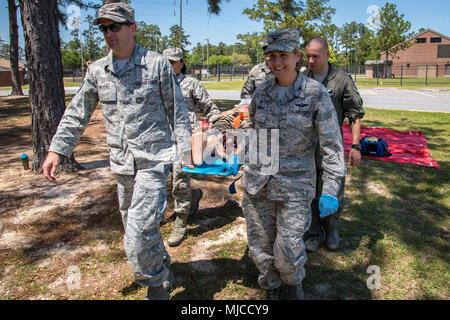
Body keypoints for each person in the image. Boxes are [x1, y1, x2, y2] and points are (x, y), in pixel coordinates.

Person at [41, 3, 193, 300]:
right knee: (138, 225)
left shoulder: (157, 64)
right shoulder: (98, 70)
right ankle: (161, 263)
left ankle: (155, 287)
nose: (108, 33)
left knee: (137, 233)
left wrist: (184, 153)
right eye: (104, 28)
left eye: (115, 27)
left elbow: (178, 111)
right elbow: (77, 112)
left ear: (132, 28)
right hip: (122, 164)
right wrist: (57, 149)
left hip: (153, 160)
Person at [241, 29, 345, 300]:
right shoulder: (261, 92)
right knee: (261, 248)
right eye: (271, 56)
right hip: (259, 183)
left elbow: (331, 146)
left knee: (287, 251)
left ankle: (292, 282)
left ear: (297, 56)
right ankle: (271, 288)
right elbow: (254, 132)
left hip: (295, 186)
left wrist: (331, 188)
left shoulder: (315, 94)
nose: (276, 62)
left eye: (283, 55)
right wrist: (243, 165)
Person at [303, 36, 365, 252]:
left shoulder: (341, 79)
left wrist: (355, 147)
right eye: (308, 56)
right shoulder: (302, 78)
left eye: (315, 56)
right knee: (310, 192)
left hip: (331, 149)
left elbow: (354, 114)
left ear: (327, 54)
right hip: (306, 149)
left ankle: (332, 231)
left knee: (333, 191)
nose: (310, 60)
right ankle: (315, 232)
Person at [162, 47, 221, 247]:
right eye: (166, 61)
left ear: (181, 63)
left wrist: (219, 126)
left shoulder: (191, 84)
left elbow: (209, 108)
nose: (169, 65)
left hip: (186, 139)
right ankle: (192, 196)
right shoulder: (157, 83)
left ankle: (181, 219)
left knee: (180, 177)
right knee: (163, 179)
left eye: (173, 62)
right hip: (161, 138)